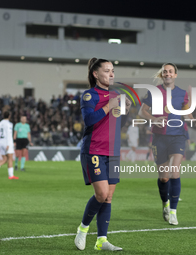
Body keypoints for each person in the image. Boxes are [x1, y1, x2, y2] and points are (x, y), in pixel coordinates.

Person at [74, 58, 131, 251]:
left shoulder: (116, 94)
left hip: (113, 152)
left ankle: (101, 240)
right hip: (94, 150)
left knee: (109, 197)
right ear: (95, 74)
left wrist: (126, 111)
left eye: (113, 70)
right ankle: (82, 229)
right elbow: (89, 120)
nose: (112, 74)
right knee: (101, 193)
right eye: (107, 71)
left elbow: (117, 124)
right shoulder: (90, 95)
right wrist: (109, 105)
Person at [138, 63, 196, 225]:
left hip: (178, 136)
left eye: (170, 71)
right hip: (159, 138)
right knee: (164, 178)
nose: (167, 74)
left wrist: (194, 121)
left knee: (174, 172)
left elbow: (186, 112)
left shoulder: (181, 93)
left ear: (175, 75)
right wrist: (153, 119)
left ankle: (173, 211)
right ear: (162, 75)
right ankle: (165, 204)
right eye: (165, 71)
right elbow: (142, 111)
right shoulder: (154, 92)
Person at [0, 111, 19, 180]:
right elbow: (8, 134)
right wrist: (8, 144)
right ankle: (11, 175)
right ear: (9, 116)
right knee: (10, 158)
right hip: (7, 142)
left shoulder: (0, 123)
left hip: (1, 142)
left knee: (5, 159)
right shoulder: (9, 124)